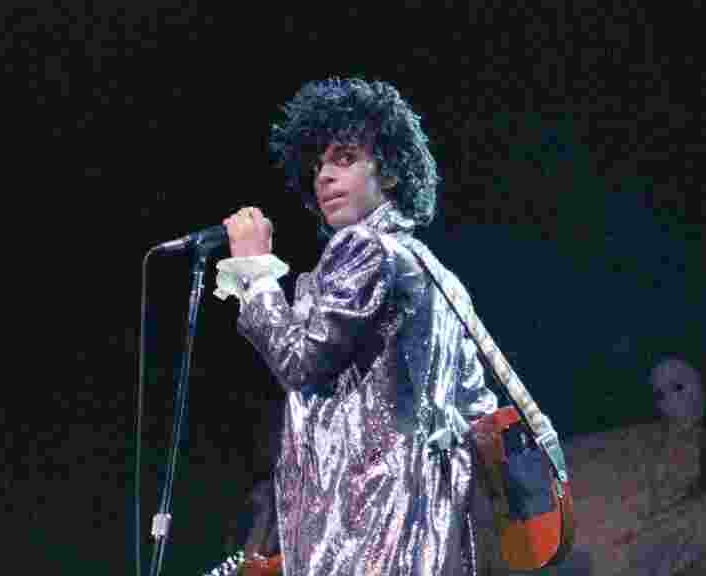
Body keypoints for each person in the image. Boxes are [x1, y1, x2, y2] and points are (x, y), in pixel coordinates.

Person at [214, 77, 502, 576]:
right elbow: (477, 408)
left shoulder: (365, 247)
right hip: (434, 531)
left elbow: (298, 362)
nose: (324, 176)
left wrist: (255, 272)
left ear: (388, 171)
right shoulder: (438, 273)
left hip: (369, 531)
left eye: (344, 159)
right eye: (319, 165)